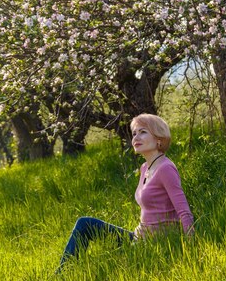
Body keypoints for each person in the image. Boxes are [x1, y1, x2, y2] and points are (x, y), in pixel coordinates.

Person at [56, 113, 194, 272]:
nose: (136, 137)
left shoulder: (165, 168)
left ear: (159, 138)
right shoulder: (145, 168)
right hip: (138, 238)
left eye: (143, 132)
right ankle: (60, 275)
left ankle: (61, 277)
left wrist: (190, 248)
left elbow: (183, 211)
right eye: (134, 133)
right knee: (85, 224)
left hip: (153, 244)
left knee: (102, 267)